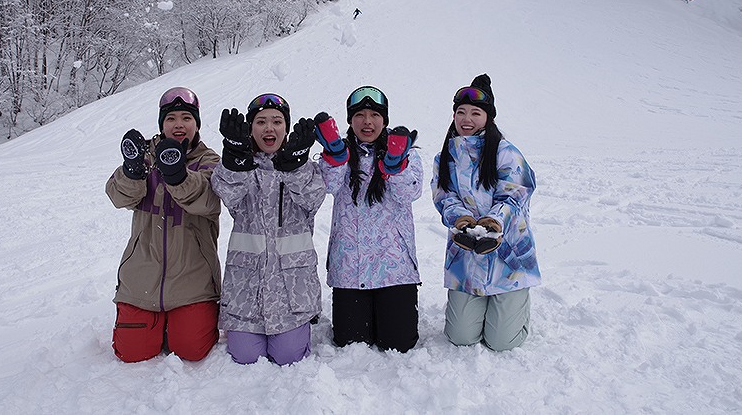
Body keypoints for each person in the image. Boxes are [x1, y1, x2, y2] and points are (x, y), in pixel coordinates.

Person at [105, 87, 222, 363]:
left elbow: (209, 200)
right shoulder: (144, 157)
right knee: (131, 353)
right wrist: (133, 171)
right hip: (141, 280)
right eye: (171, 119)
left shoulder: (209, 160)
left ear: (196, 124)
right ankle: (157, 323)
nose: (179, 125)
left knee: (192, 350)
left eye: (186, 118)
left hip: (193, 281)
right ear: (162, 124)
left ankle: (176, 323)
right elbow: (117, 195)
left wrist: (179, 176)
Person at [211, 93, 325, 366]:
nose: (269, 128)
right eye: (261, 122)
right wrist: (235, 159)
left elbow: (313, 199)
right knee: (245, 356)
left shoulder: (304, 167)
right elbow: (228, 193)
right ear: (250, 129)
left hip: (292, 288)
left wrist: (295, 167)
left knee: (288, 356)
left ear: (286, 127)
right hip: (246, 287)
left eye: (277, 121)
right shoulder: (239, 166)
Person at [431, 74, 540, 351]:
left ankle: (513, 304)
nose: (466, 119)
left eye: (475, 113)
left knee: (501, 341)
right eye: (461, 112)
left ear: (488, 117)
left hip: (508, 257)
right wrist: (461, 219)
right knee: (461, 337)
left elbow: (516, 192)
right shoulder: (445, 157)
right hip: (465, 256)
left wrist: (493, 222)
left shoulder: (506, 152)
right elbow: (444, 195)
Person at [313, 86, 422, 353]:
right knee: (351, 343)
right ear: (350, 120)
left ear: (384, 119)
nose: (367, 121)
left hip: (394, 268)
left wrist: (396, 166)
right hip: (350, 268)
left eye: (374, 114)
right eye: (360, 114)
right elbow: (328, 185)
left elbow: (411, 192)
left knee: (398, 343)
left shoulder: (406, 153)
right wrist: (336, 156)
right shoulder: (339, 152)